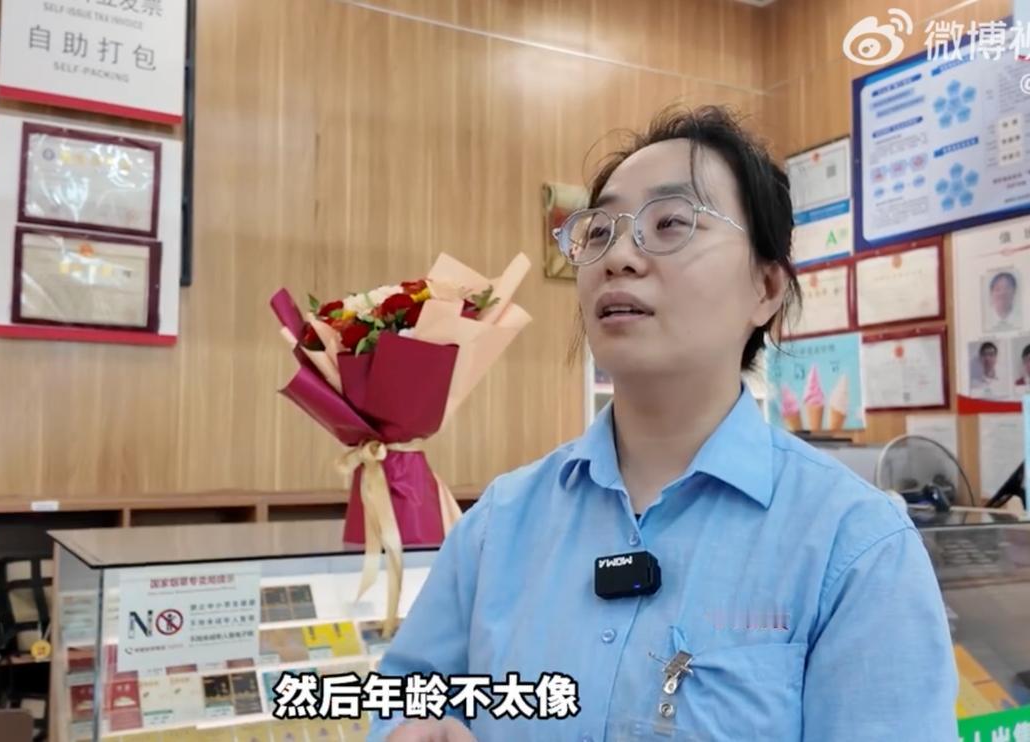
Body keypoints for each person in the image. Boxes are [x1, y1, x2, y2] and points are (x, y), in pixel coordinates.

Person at [370, 106, 957, 741]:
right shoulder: (499, 524)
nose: (619, 256)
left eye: (671, 223)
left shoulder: (855, 545)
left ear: (765, 289)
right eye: (599, 232)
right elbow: (405, 697)